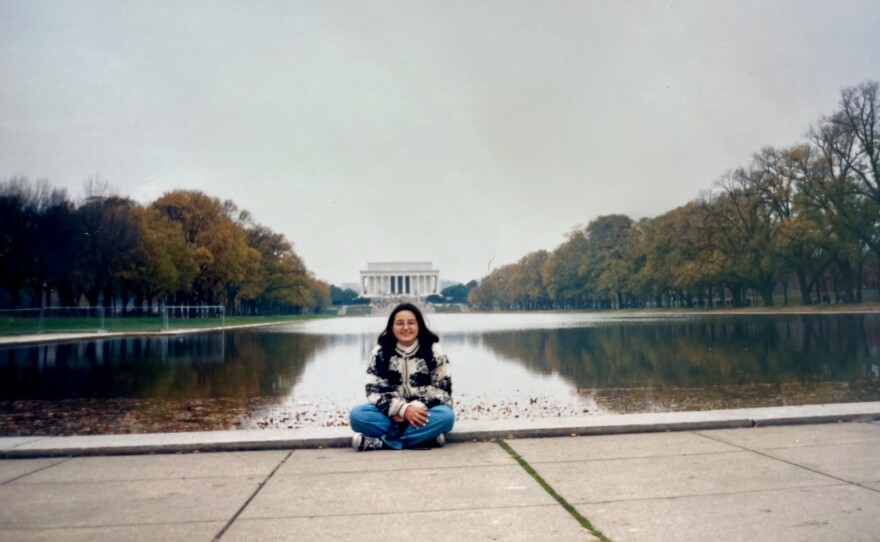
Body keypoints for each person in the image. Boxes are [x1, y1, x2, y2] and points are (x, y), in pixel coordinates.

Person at [349, 303, 454, 451]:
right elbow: (374, 391)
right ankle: (424, 439)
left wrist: (413, 410)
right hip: (392, 413)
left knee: (446, 416)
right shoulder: (380, 352)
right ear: (392, 326)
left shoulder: (434, 351)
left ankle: (384, 443)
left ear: (419, 325)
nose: (406, 328)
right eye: (399, 323)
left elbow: (443, 392)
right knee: (357, 416)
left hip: (422, 412)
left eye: (411, 322)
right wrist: (402, 410)